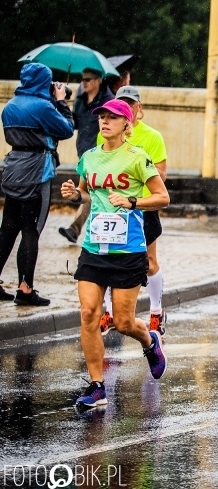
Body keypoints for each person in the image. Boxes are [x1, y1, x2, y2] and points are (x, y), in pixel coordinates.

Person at [60, 99, 169, 409]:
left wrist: (133, 202)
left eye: (112, 117)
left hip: (128, 249)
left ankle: (150, 341)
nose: (105, 121)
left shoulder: (138, 158)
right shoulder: (89, 158)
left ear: (126, 124)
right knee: (88, 314)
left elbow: (163, 197)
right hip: (94, 248)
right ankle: (97, 386)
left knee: (123, 322)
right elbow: (85, 194)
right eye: (102, 117)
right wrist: (73, 196)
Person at [95, 86, 169, 336]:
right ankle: (106, 312)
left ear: (139, 109)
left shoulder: (152, 137)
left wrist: (135, 168)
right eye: (120, 103)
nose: (125, 107)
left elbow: (161, 176)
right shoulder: (104, 133)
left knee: (148, 263)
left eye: (130, 103)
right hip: (111, 208)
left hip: (142, 208)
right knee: (106, 261)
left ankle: (156, 311)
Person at [0, 63, 74, 305]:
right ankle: (25, 289)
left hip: (13, 170)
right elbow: (66, 129)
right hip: (37, 173)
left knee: (8, 228)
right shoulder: (43, 107)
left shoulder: (10, 106)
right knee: (31, 230)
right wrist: (61, 102)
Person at [59, 68, 114, 244]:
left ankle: (76, 229)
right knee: (93, 192)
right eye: (83, 79)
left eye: (88, 80)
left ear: (99, 80)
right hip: (84, 153)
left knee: (91, 190)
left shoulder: (108, 101)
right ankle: (82, 229)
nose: (85, 83)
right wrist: (62, 104)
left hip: (101, 154)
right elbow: (74, 122)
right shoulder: (81, 100)